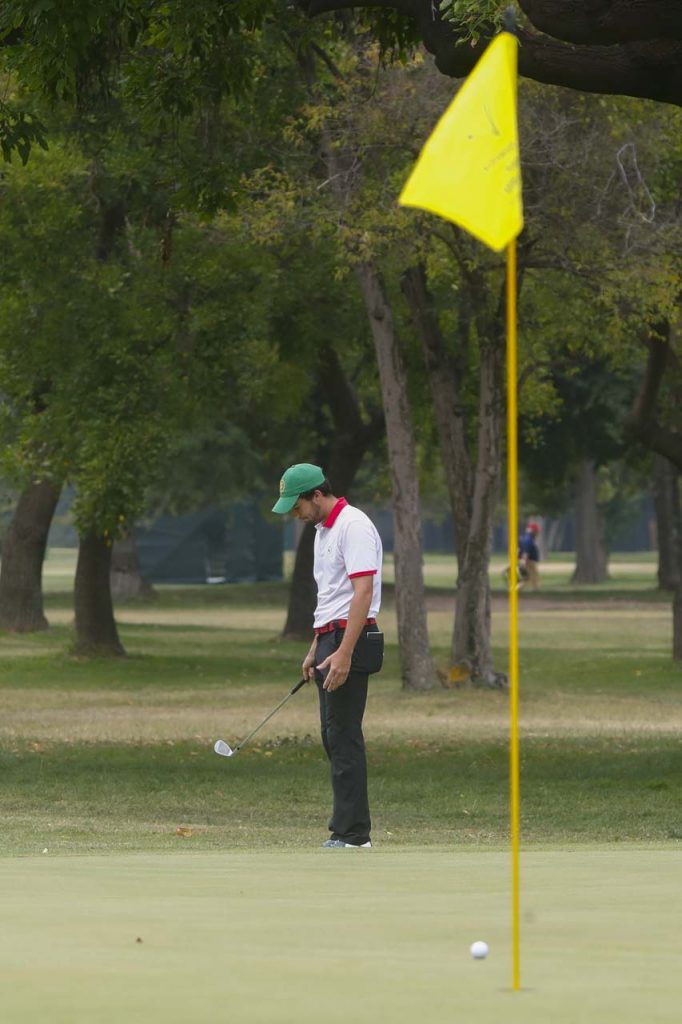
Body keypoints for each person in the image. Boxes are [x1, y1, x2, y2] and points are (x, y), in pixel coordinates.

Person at [272, 463, 383, 849]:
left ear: (316, 495)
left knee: (344, 736)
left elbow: (362, 592)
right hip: (330, 637)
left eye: (297, 506)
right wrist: (315, 647)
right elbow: (331, 598)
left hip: (351, 638)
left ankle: (353, 835)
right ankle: (348, 830)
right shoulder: (323, 531)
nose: (295, 515)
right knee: (333, 736)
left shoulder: (354, 525)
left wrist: (344, 652)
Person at [518, 520, 541, 589]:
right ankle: (517, 588)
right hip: (529, 561)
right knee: (530, 577)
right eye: (537, 531)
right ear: (533, 531)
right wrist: (524, 560)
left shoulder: (528, 537)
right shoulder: (528, 539)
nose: (538, 532)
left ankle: (536, 589)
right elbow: (526, 550)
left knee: (532, 577)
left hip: (529, 560)